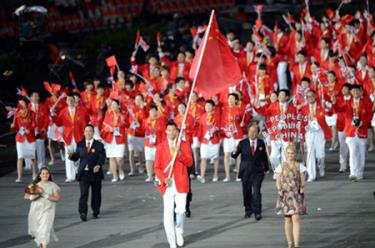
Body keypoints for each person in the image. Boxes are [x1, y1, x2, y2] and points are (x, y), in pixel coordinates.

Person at [154, 121, 193, 248]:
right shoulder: (160, 147)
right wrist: (164, 178)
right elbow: (157, 167)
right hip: (168, 184)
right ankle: (171, 241)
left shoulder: (184, 145)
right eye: (169, 130)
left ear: (177, 131)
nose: (171, 132)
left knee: (181, 210)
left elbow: (190, 163)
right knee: (168, 213)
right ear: (166, 131)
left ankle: (179, 231)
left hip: (181, 182)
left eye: (173, 130)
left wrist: (180, 154)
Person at [231, 123, 269, 220]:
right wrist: (234, 151)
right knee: (246, 192)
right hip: (246, 171)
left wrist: (266, 169)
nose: (252, 133)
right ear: (248, 132)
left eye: (254, 132)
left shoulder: (261, 143)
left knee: (256, 191)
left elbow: (264, 157)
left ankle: (257, 212)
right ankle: (248, 210)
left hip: (258, 171)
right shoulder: (242, 143)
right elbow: (235, 156)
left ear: (258, 133)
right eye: (250, 131)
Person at [68, 124, 105, 221]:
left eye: (90, 131)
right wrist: (71, 156)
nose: (88, 133)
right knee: (83, 193)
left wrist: (99, 165)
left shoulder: (99, 145)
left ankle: (95, 211)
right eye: (86, 131)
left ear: (93, 133)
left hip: (95, 172)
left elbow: (102, 157)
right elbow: (77, 157)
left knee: (96, 193)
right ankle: (83, 212)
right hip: (84, 173)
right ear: (84, 133)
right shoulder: (80, 144)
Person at [275, 143, 307, 248]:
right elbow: (278, 181)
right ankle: (290, 243)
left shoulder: (300, 166)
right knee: (287, 219)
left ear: (295, 154)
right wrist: (279, 189)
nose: (290, 155)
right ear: (286, 154)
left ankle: (296, 244)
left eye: (292, 153)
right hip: (284, 194)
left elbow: (302, 181)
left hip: (296, 195)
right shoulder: (281, 166)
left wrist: (302, 188)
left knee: (296, 218)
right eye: (288, 153)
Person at [24, 167, 61, 248]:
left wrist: (45, 195)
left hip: (48, 211)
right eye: (43, 173)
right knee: (37, 233)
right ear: (40, 175)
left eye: (47, 173)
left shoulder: (53, 186)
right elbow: (26, 196)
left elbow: (57, 198)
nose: (45, 175)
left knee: (44, 232)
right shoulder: (34, 185)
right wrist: (33, 196)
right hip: (35, 211)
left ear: (49, 175)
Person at [10, 98, 37, 183]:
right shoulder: (17, 114)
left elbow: (34, 124)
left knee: (32, 156)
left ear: (26, 103)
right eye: (19, 102)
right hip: (20, 138)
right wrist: (12, 125)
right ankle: (19, 177)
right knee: (20, 157)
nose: (20, 104)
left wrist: (29, 129)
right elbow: (15, 128)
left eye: (22, 102)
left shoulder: (32, 113)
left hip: (30, 137)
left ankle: (34, 174)